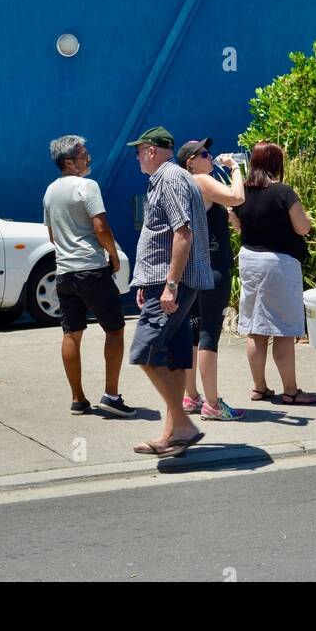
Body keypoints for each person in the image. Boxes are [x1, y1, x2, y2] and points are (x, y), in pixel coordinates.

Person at [127, 126, 213, 457]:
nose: (136, 157)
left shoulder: (170, 178)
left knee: (144, 352)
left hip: (173, 286)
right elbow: (164, 236)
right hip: (163, 284)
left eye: (139, 151)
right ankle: (173, 434)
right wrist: (147, 282)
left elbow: (182, 233)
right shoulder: (173, 177)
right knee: (175, 360)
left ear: (151, 151)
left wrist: (170, 286)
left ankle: (182, 424)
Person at [44, 135, 137, 417]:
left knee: (72, 333)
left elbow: (51, 234)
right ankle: (111, 394)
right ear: (69, 161)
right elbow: (101, 228)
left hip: (64, 273)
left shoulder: (50, 191)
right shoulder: (88, 186)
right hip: (92, 270)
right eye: (84, 155)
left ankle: (78, 399)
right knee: (115, 330)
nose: (89, 159)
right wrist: (111, 254)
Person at [236, 141, 316, 405]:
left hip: (249, 260)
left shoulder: (241, 192)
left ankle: (259, 388)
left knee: (256, 328)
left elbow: (237, 225)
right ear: (276, 163)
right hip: (279, 263)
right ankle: (291, 391)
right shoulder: (283, 192)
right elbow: (303, 228)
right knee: (283, 328)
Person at [176, 140, 246, 421]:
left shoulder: (184, 185)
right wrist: (236, 168)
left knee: (193, 333)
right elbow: (237, 197)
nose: (211, 156)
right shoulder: (201, 180)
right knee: (208, 336)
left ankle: (191, 396)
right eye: (204, 154)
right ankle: (213, 404)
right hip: (213, 269)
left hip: (192, 268)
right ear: (191, 162)